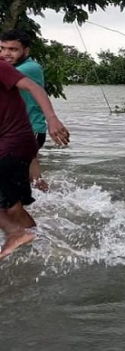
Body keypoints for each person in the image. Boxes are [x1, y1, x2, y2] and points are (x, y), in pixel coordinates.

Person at [0, 60, 70, 261]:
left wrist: (52, 118)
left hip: (14, 143)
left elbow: (33, 86)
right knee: (12, 207)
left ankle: (16, 233)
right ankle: (45, 248)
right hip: (16, 144)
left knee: (11, 208)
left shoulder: (2, 67)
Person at [1, 29, 48, 191]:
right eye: (3, 48)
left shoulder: (30, 68)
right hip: (20, 130)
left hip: (31, 129)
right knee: (33, 179)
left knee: (21, 178)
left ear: (26, 51)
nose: (7, 54)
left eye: (13, 49)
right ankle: (50, 204)